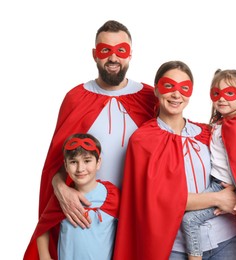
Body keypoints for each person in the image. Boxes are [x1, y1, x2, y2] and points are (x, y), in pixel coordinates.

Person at [24, 20, 158, 259]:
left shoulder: (149, 98)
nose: (114, 58)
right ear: (95, 54)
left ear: (131, 55)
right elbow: (55, 163)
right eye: (106, 51)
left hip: (137, 215)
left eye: (121, 51)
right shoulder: (76, 98)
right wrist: (60, 187)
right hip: (86, 215)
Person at [113, 61, 236, 260]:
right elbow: (155, 199)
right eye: (169, 86)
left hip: (228, 238)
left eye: (184, 88)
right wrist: (220, 198)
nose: (177, 95)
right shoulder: (143, 140)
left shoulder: (207, 133)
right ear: (157, 89)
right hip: (176, 246)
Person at [181, 69, 236, 260]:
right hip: (219, 183)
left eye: (229, 93)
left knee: (189, 220)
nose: (221, 99)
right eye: (216, 93)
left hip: (221, 185)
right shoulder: (223, 123)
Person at [28, 133, 120, 260]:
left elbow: (130, 227)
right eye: (73, 162)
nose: (80, 168)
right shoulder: (62, 198)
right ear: (65, 165)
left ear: (98, 162)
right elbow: (42, 228)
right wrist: (45, 256)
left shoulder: (112, 195)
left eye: (87, 160)